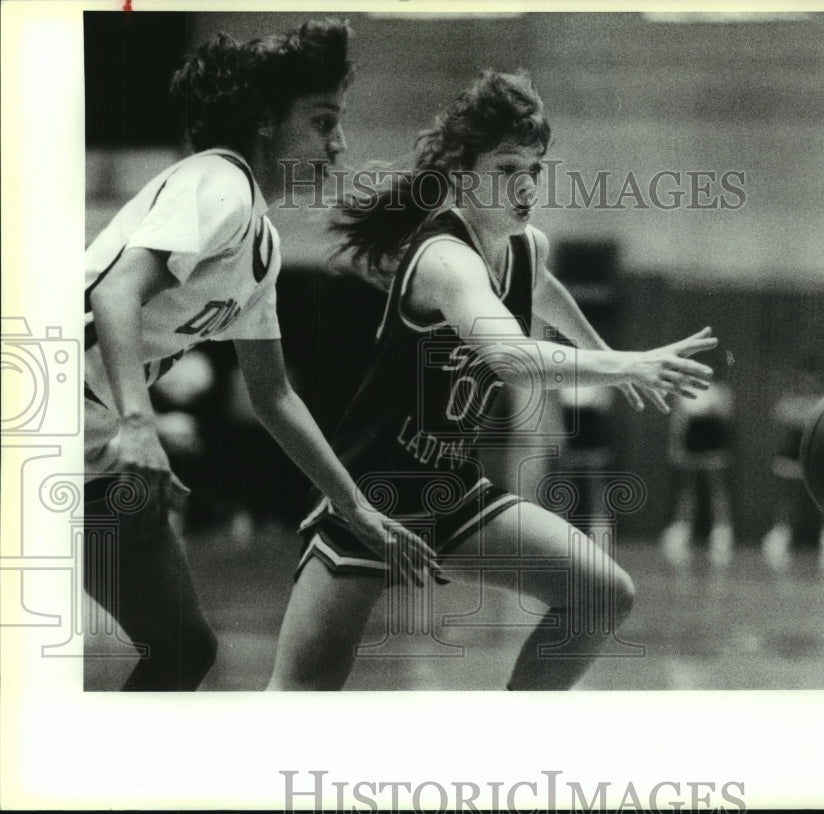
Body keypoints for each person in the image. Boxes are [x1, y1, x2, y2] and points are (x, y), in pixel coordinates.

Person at [268, 70, 719, 691]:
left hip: (451, 493)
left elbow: (546, 293)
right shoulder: (446, 259)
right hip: (373, 498)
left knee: (602, 594)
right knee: (301, 693)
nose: (527, 185)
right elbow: (509, 356)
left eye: (534, 168)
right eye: (507, 168)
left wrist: (603, 351)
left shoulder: (525, 245)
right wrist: (625, 364)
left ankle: (509, 749)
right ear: (462, 170)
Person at [83, 20, 435, 691]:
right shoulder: (220, 181)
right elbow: (117, 292)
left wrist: (355, 507)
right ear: (266, 121)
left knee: (182, 648)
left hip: (97, 435)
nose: (341, 144)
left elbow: (274, 396)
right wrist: (139, 426)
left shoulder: (262, 246)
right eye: (324, 121)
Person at [759, 357, 824, 573]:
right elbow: (782, 415)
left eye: (812, 379)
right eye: (804, 379)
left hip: (818, 457)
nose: (808, 382)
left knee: (823, 500)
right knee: (787, 498)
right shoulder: (790, 397)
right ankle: (780, 534)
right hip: (790, 455)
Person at [659, 380, 736, 568]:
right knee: (688, 489)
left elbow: (726, 415)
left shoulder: (721, 389)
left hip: (713, 442)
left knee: (717, 488)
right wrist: (675, 446)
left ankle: (722, 531)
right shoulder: (684, 390)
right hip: (692, 442)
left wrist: (711, 407)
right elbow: (679, 420)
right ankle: (683, 529)